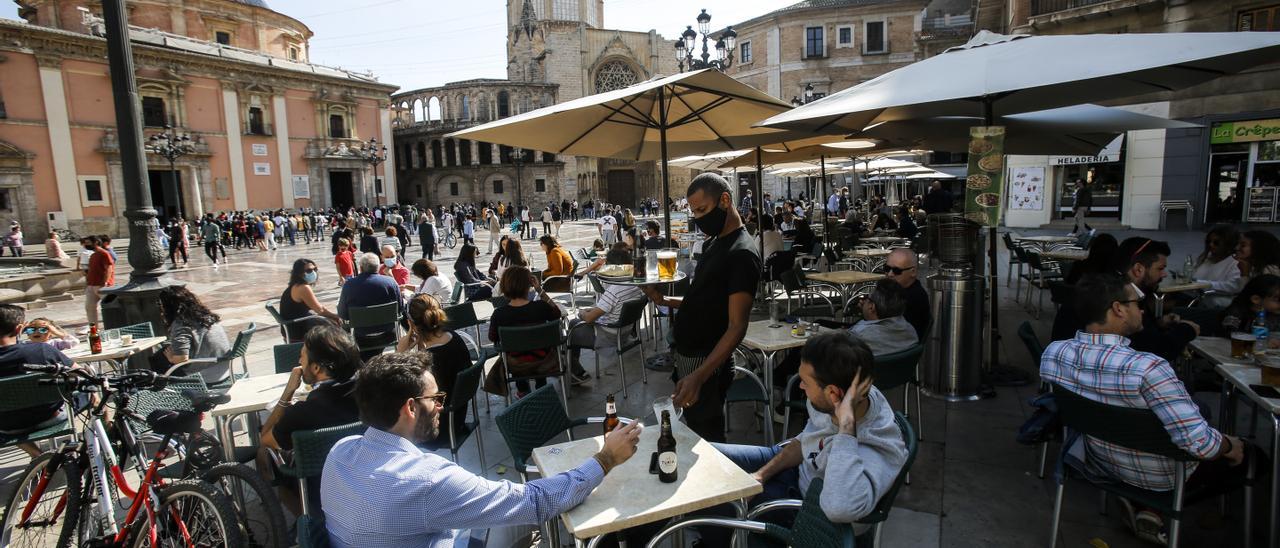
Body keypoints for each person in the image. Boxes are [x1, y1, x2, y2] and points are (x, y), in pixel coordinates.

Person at [320, 352, 642, 548]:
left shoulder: (339, 452)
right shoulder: (430, 481)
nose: (441, 408)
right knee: (515, 521)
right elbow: (535, 502)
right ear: (410, 408)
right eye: (436, 399)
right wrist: (605, 458)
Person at [1041, 273, 1253, 545]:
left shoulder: (1055, 353)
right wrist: (1229, 445)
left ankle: (1146, 509)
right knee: (1251, 456)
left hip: (1094, 460)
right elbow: (1200, 445)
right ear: (1118, 309)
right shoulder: (1148, 368)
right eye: (1137, 303)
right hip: (1161, 478)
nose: (1142, 309)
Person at [700, 332, 906, 544]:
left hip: (806, 509)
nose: (800, 387)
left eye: (806, 383)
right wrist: (761, 476)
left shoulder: (876, 449)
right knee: (704, 457)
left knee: (713, 501)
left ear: (834, 393)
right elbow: (805, 441)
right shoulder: (847, 392)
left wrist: (846, 429)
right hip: (794, 467)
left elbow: (839, 508)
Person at [640, 173, 761, 442]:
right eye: (693, 211)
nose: (698, 217)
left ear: (725, 200)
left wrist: (700, 375)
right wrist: (664, 300)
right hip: (687, 356)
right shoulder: (713, 243)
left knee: (707, 441)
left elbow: (737, 326)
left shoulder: (741, 253)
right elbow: (704, 301)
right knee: (691, 431)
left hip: (706, 362)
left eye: (702, 210)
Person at [257, 324, 361, 515]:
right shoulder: (368, 392)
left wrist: (288, 392)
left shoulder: (301, 413)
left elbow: (265, 438)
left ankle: (303, 524)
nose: (299, 361)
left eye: (302, 356)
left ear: (316, 367)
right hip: (361, 475)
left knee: (264, 453)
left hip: (316, 483)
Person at [0, 304, 74, 457]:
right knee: (93, 391)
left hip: (8, 427)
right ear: (19, 329)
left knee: (10, 415)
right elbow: (80, 373)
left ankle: (37, 455)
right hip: (51, 417)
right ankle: (108, 431)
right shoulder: (42, 349)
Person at [396, 294, 472, 433]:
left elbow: (401, 389)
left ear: (411, 324)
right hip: (458, 417)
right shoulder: (454, 337)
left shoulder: (427, 360)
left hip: (435, 426)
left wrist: (400, 354)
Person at [567, 246, 642, 384]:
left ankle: (573, 370)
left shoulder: (614, 290)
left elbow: (589, 319)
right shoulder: (636, 284)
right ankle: (574, 370)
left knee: (572, 326)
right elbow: (607, 308)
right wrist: (593, 310)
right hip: (625, 332)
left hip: (609, 336)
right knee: (583, 319)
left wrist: (582, 313)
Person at [488, 266, 563, 397]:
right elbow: (557, 313)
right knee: (536, 348)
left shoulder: (499, 314)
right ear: (528, 285)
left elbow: (492, 338)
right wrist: (540, 290)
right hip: (544, 361)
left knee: (516, 353)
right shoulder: (541, 307)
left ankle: (522, 390)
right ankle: (541, 388)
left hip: (516, 366)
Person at [152, 286, 233, 386]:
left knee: (157, 359)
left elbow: (182, 358)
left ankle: (168, 396)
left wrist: (172, 359)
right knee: (163, 354)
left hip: (205, 375)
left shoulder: (181, 323)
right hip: (224, 369)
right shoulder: (208, 316)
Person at [338, 253, 405, 360]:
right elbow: (400, 308)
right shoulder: (391, 282)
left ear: (360, 268)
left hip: (362, 336)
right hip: (388, 334)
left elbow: (342, 314)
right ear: (378, 267)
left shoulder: (349, 285)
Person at [849, 280, 919, 355]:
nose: (864, 300)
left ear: (872, 307)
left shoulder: (858, 336)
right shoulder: (910, 331)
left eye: (867, 298)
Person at [280, 259, 342, 343]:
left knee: (329, 322)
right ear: (299, 273)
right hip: (297, 330)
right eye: (309, 270)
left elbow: (318, 308)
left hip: (291, 328)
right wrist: (336, 316)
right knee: (336, 330)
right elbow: (320, 310)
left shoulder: (294, 285)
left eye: (314, 269)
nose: (313, 273)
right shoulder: (303, 288)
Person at [884, 249, 930, 340]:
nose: (890, 274)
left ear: (913, 272)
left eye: (897, 271)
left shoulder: (913, 298)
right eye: (887, 268)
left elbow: (893, 332)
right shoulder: (900, 290)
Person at [1191, 225, 1241, 308]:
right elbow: (1192, 276)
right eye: (1208, 241)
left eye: (1216, 243)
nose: (1211, 245)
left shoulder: (1235, 263)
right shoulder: (1205, 258)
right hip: (1195, 296)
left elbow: (1232, 286)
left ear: (1228, 244)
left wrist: (1202, 284)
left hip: (1214, 302)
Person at [1219, 274, 1280, 338]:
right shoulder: (1236, 313)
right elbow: (1230, 332)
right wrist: (1262, 341)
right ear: (1256, 299)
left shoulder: (1274, 314)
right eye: (1278, 300)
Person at [82, 235, 114, 333]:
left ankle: (113, 327)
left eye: (88, 242)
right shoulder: (92, 255)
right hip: (91, 285)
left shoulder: (104, 253)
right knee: (89, 307)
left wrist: (106, 282)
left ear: (95, 242)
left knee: (110, 307)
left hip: (101, 285)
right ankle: (94, 329)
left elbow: (109, 268)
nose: (86, 245)